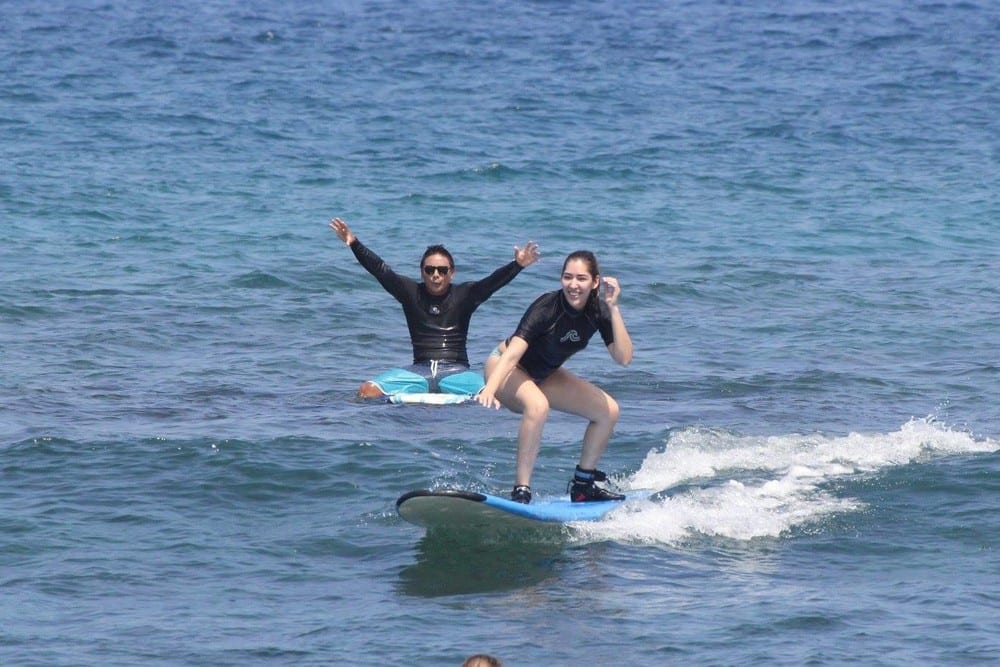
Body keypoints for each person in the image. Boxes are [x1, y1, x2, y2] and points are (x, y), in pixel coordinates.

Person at [477, 250, 633, 504]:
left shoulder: (598, 311)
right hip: (504, 367)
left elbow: (623, 358)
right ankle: (521, 490)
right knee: (538, 406)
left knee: (609, 411)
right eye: (567, 277)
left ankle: (583, 485)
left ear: (595, 282)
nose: (573, 285)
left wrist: (614, 309)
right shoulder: (547, 307)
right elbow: (514, 352)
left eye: (581, 278)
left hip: (543, 374)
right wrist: (490, 388)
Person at [330, 217, 540, 399]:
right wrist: (354, 243)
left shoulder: (465, 295)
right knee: (368, 391)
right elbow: (381, 270)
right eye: (430, 270)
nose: (436, 275)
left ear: (452, 273)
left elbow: (493, 282)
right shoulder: (410, 292)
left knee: (497, 394)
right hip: (418, 373)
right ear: (422, 272)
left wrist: (517, 265)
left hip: (457, 373)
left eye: (442, 270)